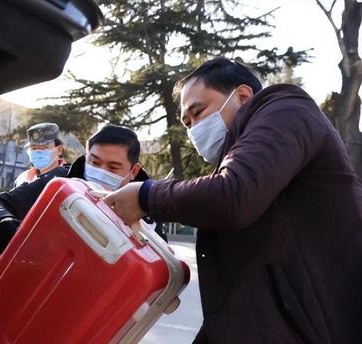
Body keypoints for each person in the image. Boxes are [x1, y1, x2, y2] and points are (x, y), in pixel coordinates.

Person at [102, 57, 362, 343]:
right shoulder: (245, 166)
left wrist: (145, 196)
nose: (194, 130)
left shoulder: (286, 108)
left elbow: (234, 195)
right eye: (187, 124)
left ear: (242, 96)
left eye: (199, 112)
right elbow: (239, 298)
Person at [0, 124, 150, 254]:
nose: (100, 172)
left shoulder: (147, 212)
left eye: (113, 168)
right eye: (94, 163)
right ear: (86, 157)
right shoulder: (60, 184)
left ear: (133, 171)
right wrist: (2, 227)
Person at [13, 122, 68, 187]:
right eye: (34, 148)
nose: (37, 152)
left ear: (59, 150)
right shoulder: (22, 178)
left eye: (43, 148)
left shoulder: (69, 177)